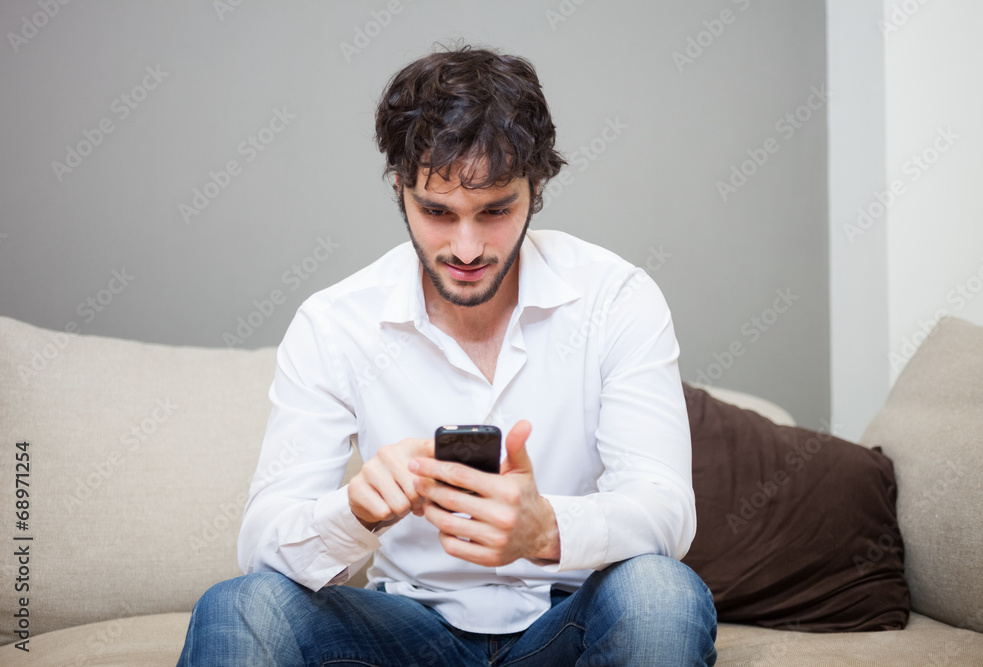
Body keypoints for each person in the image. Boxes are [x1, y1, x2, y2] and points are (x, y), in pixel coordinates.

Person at [178, 46, 717, 666]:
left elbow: (664, 509)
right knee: (240, 606)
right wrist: (354, 510)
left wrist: (546, 529)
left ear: (536, 188)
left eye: (495, 211)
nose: (466, 249)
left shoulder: (615, 299)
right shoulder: (334, 324)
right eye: (436, 211)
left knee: (660, 593)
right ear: (400, 190)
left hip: (568, 626)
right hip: (407, 634)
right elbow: (262, 543)